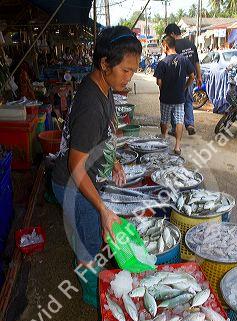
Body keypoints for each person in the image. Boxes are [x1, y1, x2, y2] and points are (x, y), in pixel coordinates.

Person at [51, 26, 142, 306]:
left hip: (85, 181)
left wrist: (112, 159)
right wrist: (102, 209)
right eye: (126, 70)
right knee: (88, 246)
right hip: (73, 186)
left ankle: (96, 283)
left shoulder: (105, 86)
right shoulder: (91, 104)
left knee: (93, 235)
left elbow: (103, 135)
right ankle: (94, 298)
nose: (130, 77)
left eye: (133, 71)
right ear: (105, 64)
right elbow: (76, 166)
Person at [154, 35, 195, 155]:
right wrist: (184, 87)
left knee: (164, 120)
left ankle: (164, 139)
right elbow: (192, 76)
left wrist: (163, 89)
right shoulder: (184, 60)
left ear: (165, 46)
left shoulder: (163, 62)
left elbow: (158, 81)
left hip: (166, 98)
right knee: (179, 121)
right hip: (179, 98)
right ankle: (177, 147)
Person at [164, 23, 202, 136]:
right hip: (190, 78)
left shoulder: (173, 46)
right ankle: (190, 124)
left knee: (174, 102)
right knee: (188, 101)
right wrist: (199, 77)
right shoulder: (191, 44)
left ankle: (175, 128)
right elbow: (196, 62)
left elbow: (170, 62)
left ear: (172, 34)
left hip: (177, 79)